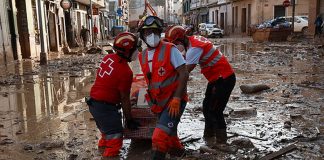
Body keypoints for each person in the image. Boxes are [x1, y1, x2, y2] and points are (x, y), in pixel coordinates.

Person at [164, 25, 236, 144]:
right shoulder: (193, 41)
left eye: (175, 43)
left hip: (224, 79)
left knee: (215, 110)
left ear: (181, 39)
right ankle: (209, 136)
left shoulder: (194, 49)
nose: (175, 46)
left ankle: (221, 142)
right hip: (216, 78)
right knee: (207, 106)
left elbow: (185, 72)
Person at [137, 16, 189, 159]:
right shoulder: (142, 56)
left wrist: (177, 98)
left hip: (174, 102)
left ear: (159, 33)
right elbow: (151, 80)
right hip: (159, 103)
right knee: (170, 135)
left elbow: (184, 73)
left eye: (154, 31)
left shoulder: (170, 49)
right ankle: (180, 154)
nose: (151, 35)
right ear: (142, 35)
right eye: (147, 32)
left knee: (159, 137)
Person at [86, 32, 141, 157]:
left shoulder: (108, 58)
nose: (137, 52)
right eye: (135, 49)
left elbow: (108, 83)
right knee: (115, 136)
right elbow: (124, 99)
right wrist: (130, 120)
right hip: (106, 107)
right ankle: (109, 156)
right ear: (127, 51)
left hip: (94, 104)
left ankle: (102, 149)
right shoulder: (126, 72)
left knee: (107, 132)